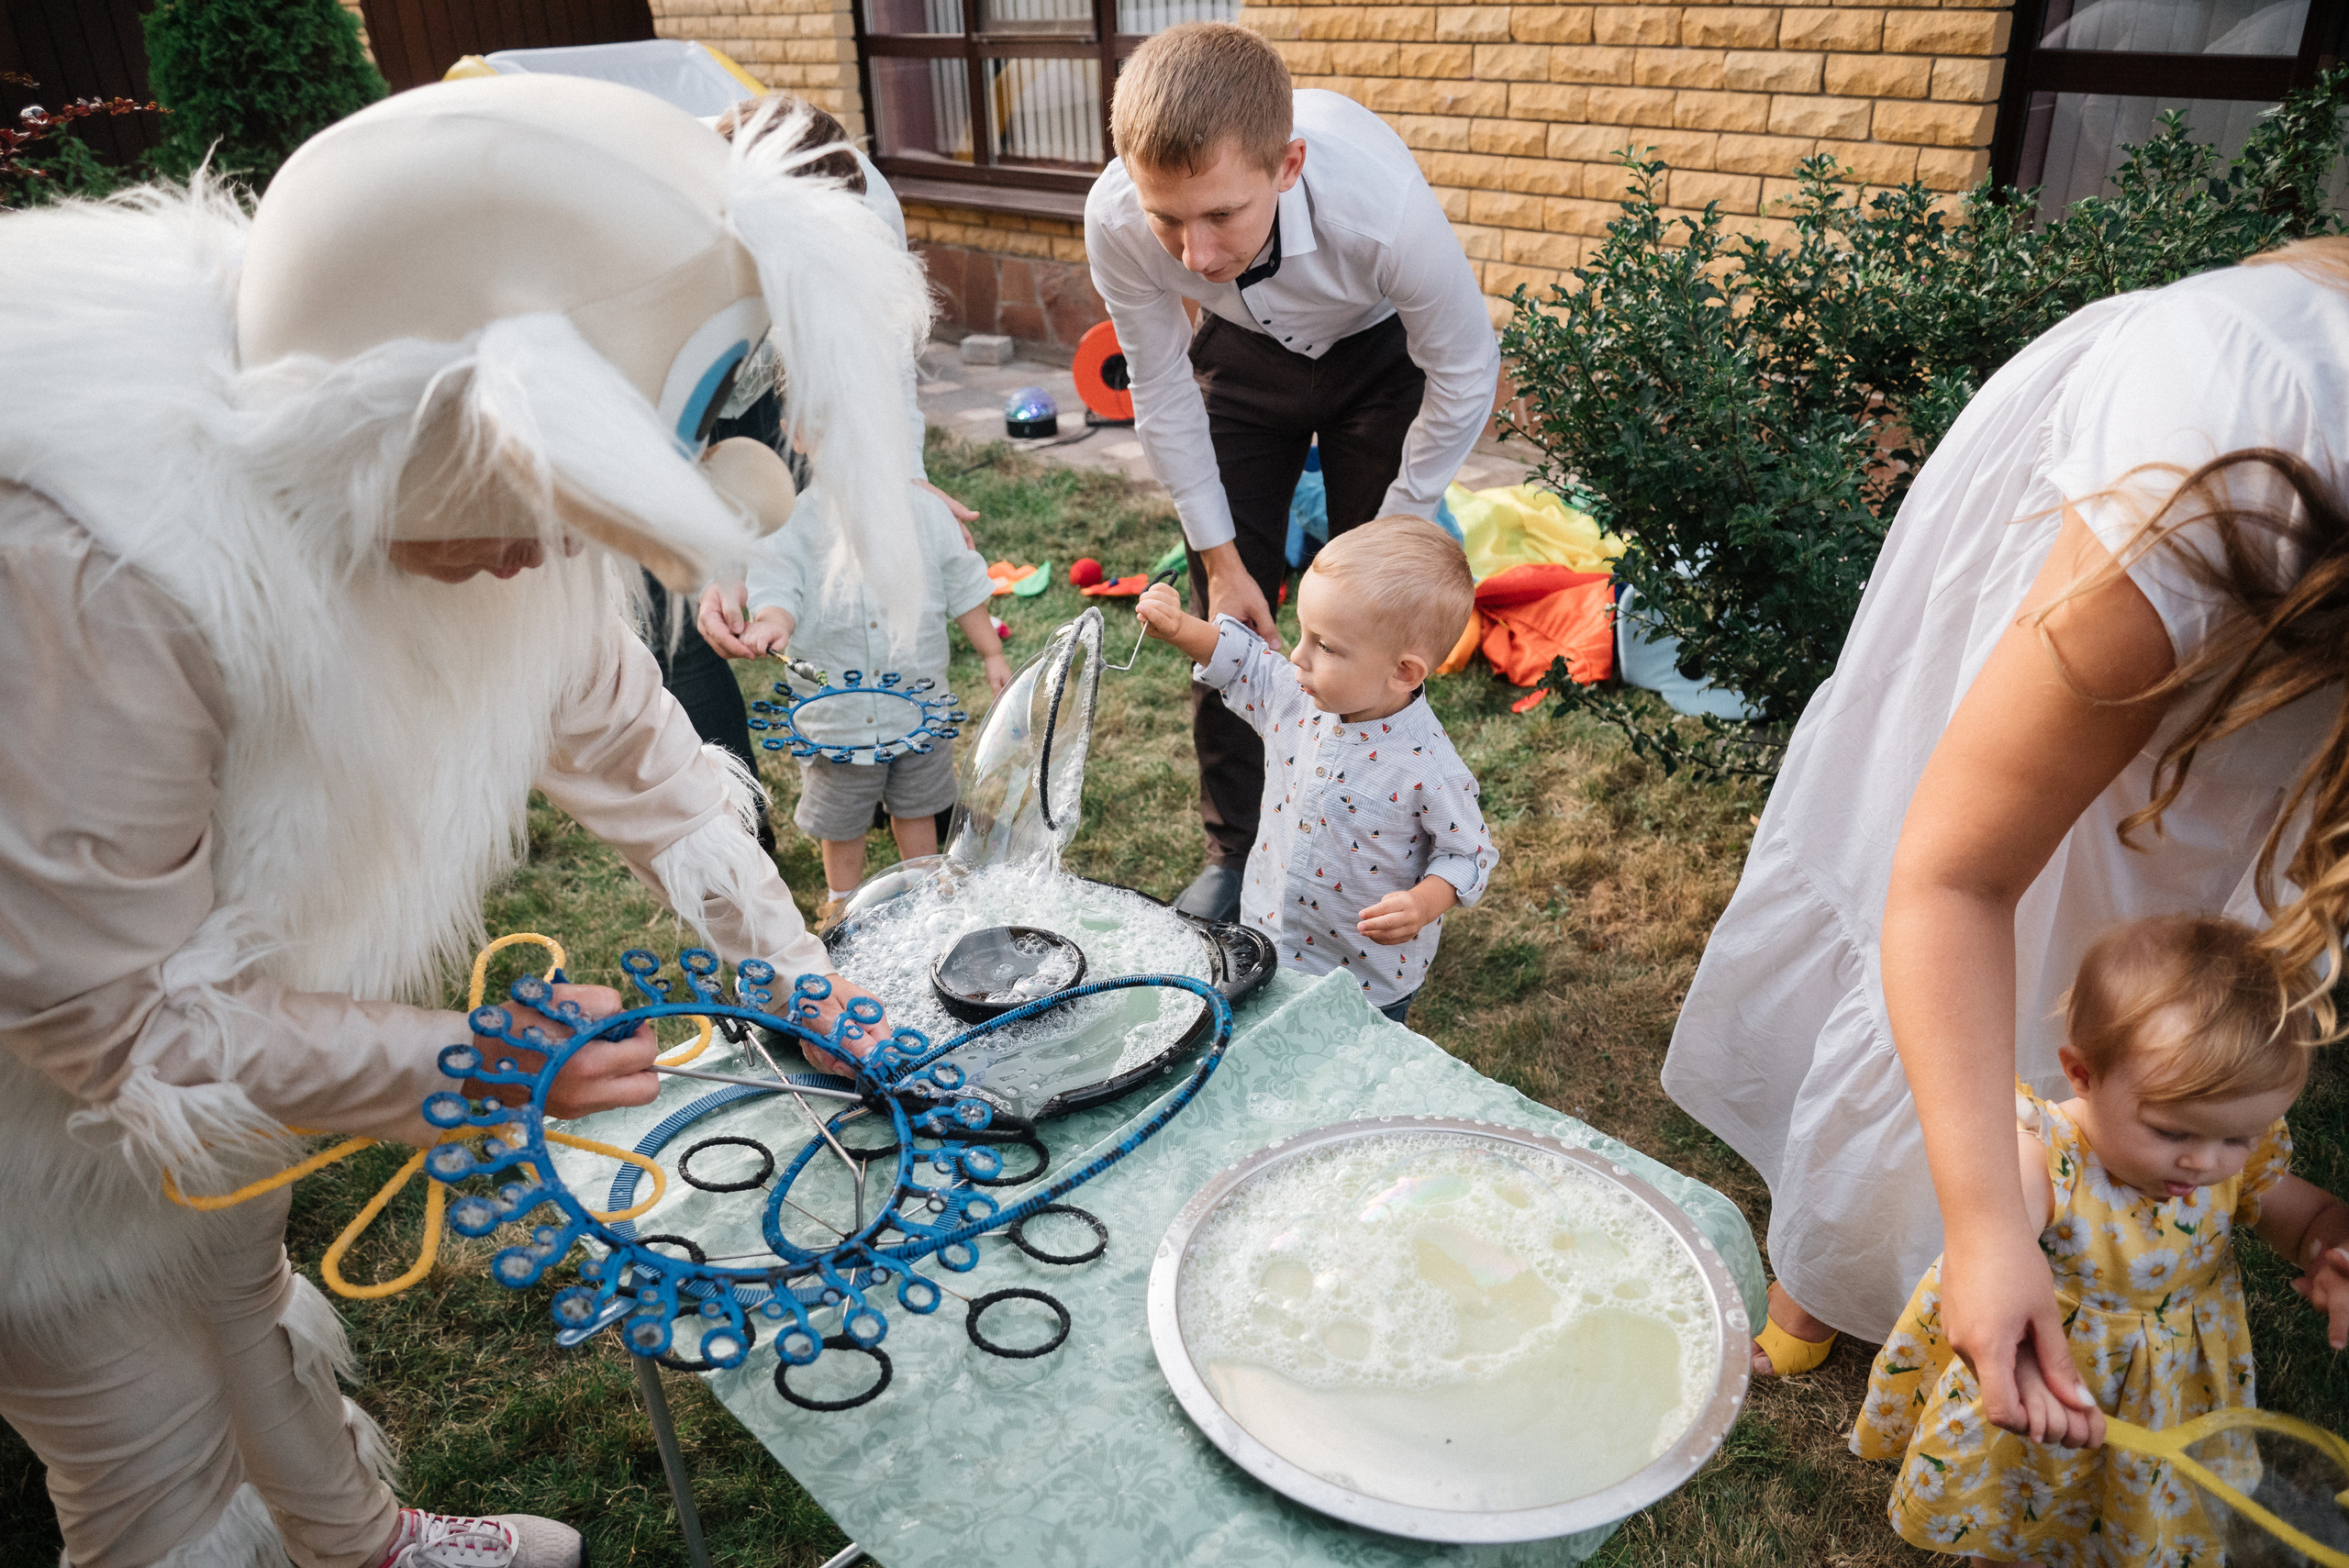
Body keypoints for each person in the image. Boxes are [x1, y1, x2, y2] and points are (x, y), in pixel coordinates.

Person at [0, 74, 930, 1568]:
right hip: (27, 1133)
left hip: (213, 1036)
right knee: (148, 1446)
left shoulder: (472, 488)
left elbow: (642, 752)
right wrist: (473, 1064)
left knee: (240, 1290)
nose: (559, 563)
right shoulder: (98, 566)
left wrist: (797, 979)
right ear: (423, 410)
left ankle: (361, 1535)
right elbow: (113, 1027)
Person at [1663, 237, 2349, 1416]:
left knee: (2137, 978)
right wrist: (1988, 1223)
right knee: (2014, 912)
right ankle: (1836, 1275)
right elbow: (1955, 877)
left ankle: (2017, 1254)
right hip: (2182, 525)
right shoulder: (2225, 467)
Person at [1086, 23, 1500, 923]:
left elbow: (1466, 368)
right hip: (1240, 357)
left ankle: (1381, 845)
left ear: (1287, 166)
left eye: (1220, 215)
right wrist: (1226, 561)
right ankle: (1236, 848)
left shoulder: (1378, 210)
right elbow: (1157, 383)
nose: (1193, 254)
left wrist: (1401, 520)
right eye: (1168, 217)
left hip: (1379, 361)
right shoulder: (1116, 218)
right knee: (1225, 600)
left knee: (1366, 610)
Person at [1852, 915, 2349, 1566]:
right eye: (2175, 1132)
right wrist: (1996, 1231)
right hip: (2051, 1391)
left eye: (2238, 1136)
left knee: (2134, 1516)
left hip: (2169, 1398)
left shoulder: (2232, 1165)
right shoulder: (2049, 1159)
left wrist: (2332, 1249)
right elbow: (2005, 1205)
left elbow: (2310, 1217)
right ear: (2082, 1074)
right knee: (2020, 1517)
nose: (2205, 1162)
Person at [1135, 516, 1492, 1023]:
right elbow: (1244, 662)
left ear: (1403, 672)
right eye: (1303, 633)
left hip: (1365, 980)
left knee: (1348, 1084)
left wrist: (1424, 902)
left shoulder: (1427, 767)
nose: (1296, 657)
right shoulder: (1298, 697)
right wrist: (1179, 628)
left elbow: (1470, 853)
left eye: (1324, 645)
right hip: (1271, 936)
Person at [740, 475, 1013, 927]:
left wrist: (993, 652)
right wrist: (772, 621)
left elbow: (963, 584)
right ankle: (841, 905)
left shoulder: (924, 512)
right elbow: (776, 585)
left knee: (918, 806)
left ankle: (927, 894)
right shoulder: (792, 521)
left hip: (918, 711)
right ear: (797, 432)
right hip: (836, 719)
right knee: (842, 821)